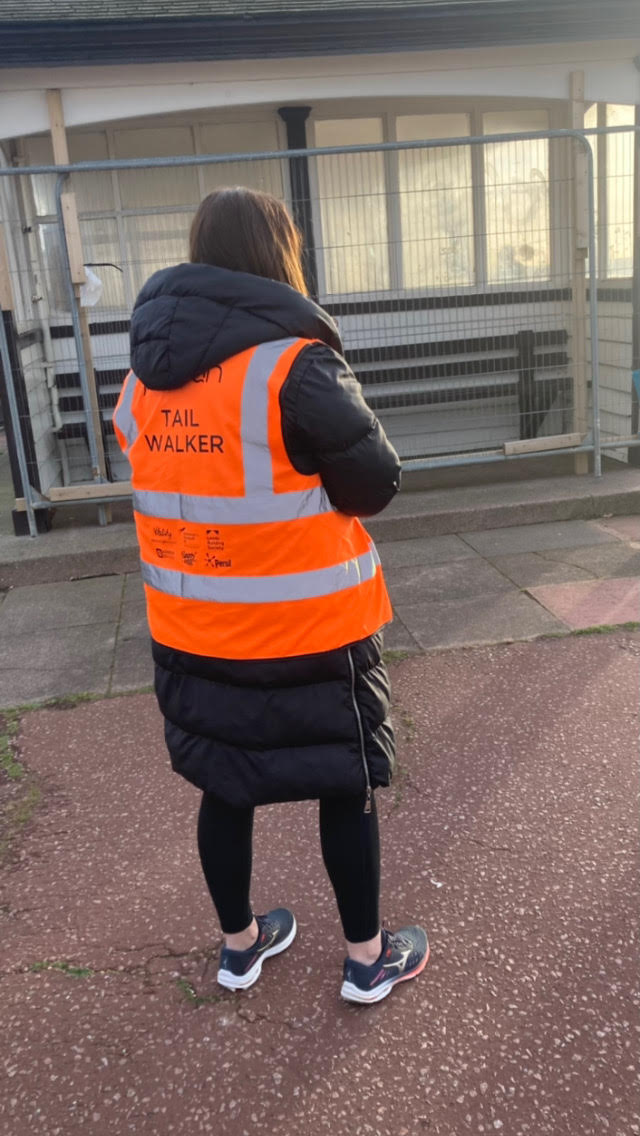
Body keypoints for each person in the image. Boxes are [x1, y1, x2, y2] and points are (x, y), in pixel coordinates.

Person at [114, 187, 429, 1004]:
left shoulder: (142, 378)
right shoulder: (295, 362)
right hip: (311, 628)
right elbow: (374, 482)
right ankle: (366, 961)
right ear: (277, 254)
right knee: (341, 783)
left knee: (224, 784)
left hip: (195, 628)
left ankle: (239, 948)